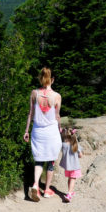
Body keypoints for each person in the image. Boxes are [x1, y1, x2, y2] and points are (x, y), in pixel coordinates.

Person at [23, 67, 62, 201]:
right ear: (52, 79)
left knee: (39, 160)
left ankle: (35, 184)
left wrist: (26, 131)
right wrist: (60, 129)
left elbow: (30, 114)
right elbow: (57, 117)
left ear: (40, 78)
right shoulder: (57, 96)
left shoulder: (34, 93)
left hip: (37, 131)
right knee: (51, 161)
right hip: (51, 132)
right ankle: (46, 190)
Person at [59, 128, 83, 202]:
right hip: (74, 166)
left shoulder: (63, 145)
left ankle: (70, 191)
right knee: (73, 179)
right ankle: (69, 194)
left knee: (70, 178)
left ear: (65, 137)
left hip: (67, 167)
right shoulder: (75, 145)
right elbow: (81, 155)